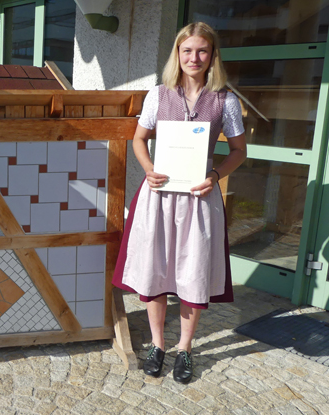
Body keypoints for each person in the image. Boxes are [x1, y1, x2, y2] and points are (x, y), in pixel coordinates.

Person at [112, 22, 246, 384]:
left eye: (202, 50)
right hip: (158, 196)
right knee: (154, 267)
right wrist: (148, 168)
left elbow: (239, 151)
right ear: (178, 54)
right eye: (187, 50)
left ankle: (185, 347)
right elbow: (139, 139)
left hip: (200, 197)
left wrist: (215, 175)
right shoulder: (158, 95)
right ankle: (158, 344)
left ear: (212, 56)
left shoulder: (226, 100)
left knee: (193, 271)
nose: (194, 57)